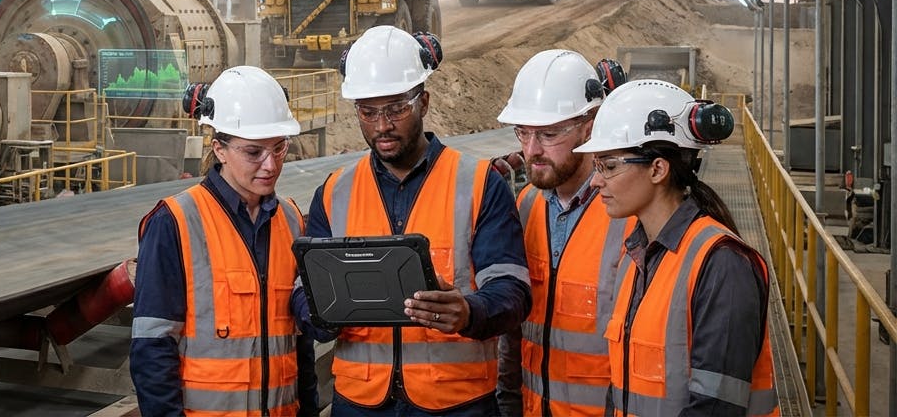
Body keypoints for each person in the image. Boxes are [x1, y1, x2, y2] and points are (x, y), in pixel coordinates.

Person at [300, 26, 531, 417]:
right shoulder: (335, 192)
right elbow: (303, 292)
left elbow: (513, 291)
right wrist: (320, 318)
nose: (382, 125)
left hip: (456, 404)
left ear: (423, 102)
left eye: (396, 109)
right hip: (359, 403)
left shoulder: (478, 185)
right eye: (368, 112)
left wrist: (469, 311)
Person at [574, 80, 778, 416]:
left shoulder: (723, 264)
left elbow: (715, 408)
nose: (596, 181)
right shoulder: (638, 254)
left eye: (608, 166)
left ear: (657, 169)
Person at [132, 65, 318, 416]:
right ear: (219, 148)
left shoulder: (291, 221)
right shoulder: (175, 223)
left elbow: (300, 347)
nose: (270, 165)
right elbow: (152, 350)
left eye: (279, 149)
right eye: (253, 152)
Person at [493, 50, 630, 417]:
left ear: (590, 124)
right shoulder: (525, 207)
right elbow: (514, 331)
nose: (531, 150)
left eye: (549, 134)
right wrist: (508, 403)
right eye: (523, 132)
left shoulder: (628, 212)